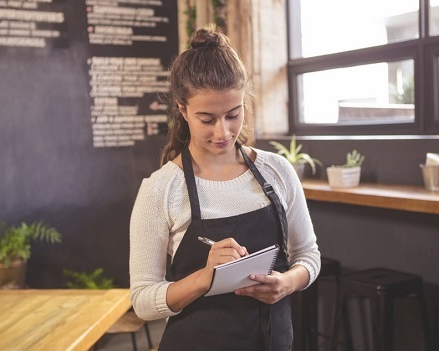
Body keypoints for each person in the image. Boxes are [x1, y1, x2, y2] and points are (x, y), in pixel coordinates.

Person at [129, 24, 320, 351]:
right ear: (182, 110)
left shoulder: (277, 171)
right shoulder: (161, 189)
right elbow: (143, 301)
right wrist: (205, 277)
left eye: (234, 114)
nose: (223, 131)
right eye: (207, 119)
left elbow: (308, 256)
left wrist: (286, 284)